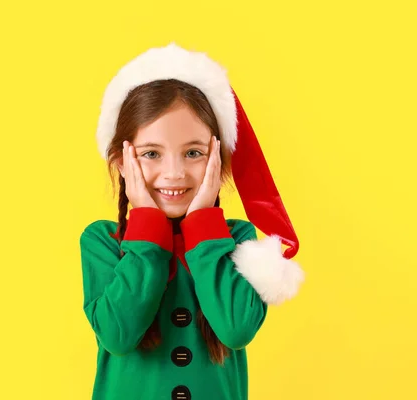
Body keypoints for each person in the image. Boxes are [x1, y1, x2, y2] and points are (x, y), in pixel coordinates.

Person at [79, 43, 304, 400]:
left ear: (219, 158)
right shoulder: (103, 241)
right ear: (123, 161)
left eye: (194, 153)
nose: (175, 173)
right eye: (151, 154)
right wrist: (147, 223)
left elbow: (236, 330)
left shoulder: (239, 239)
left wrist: (203, 224)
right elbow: (118, 335)